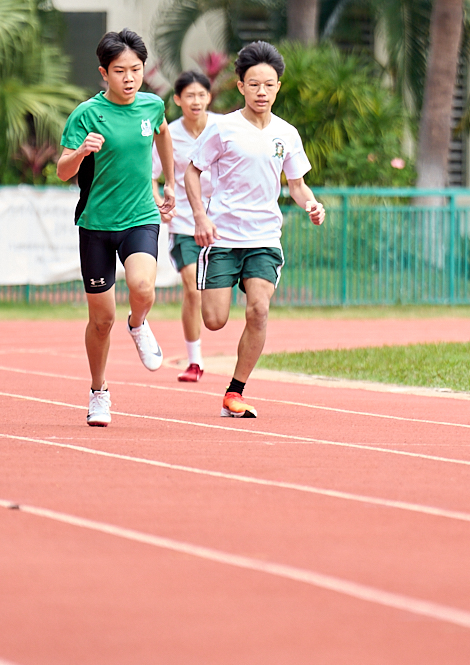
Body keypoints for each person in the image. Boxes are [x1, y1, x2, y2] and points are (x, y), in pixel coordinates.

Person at [184, 42, 325, 419]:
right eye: (254, 84)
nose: (262, 92)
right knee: (214, 320)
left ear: (278, 87)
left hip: (264, 239)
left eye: (269, 84)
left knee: (259, 310)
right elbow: (192, 171)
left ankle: (235, 391)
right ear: (241, 86)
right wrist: (200, 216)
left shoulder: (287, 134)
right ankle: (218, 290)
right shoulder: (222, 128)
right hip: (222, 238)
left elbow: (297, 185)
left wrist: (311, 204)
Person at [57, 29, 175, 426]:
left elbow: (163, 135)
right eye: (120, 70)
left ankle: (138, 323)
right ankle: (99, 392)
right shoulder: (86, 114)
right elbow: (62, 171)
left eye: (136, 69)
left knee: (143, 287)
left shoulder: (153, 106)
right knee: (101, 320)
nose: (129, 78)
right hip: (96, 224)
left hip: (140, 216)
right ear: (103, 73)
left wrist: (168, 181)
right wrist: (80, 151)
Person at [158, 70, 216, 380]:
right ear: (178, 100)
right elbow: (150, 174)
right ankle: (195, 361)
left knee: (215, 299)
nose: (196, 101)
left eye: (201, 95)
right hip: (184, 224)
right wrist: (160, 201)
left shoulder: (222, 128)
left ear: (209, 97)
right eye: (189, 95)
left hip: (222, 223)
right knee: (192, 289)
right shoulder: (169, 134)